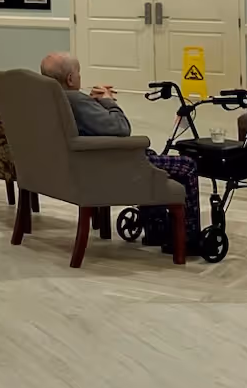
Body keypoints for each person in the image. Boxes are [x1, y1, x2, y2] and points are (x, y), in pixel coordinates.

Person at [39, 52, 199, 251]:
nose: (81, 77)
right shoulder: (76, 100)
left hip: (78, 165)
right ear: (71, 79)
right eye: (78, 73)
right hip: (108, 166)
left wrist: (93, 104)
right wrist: (108, 101)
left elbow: (82, 122)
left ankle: (157, 228)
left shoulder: (48, 97)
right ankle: (188, 237)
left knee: (151, 158)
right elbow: (121, 128)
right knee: (186, 165)